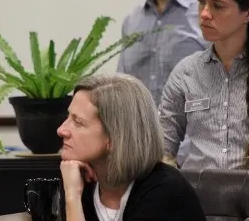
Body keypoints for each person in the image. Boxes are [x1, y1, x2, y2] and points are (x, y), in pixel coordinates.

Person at [159, 0, 249, 170]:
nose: (204, 14)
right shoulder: (186, 72)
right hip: (196, 198)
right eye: (201, 1)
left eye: (217, 6)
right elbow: (163, 147)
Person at [57, 74, 206, 221]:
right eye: (68, 117)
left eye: (78, 122)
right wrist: (72, 193)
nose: (61, 130)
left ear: (115, 135)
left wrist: (72, 197)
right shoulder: (77, 179)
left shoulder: (165, 189)